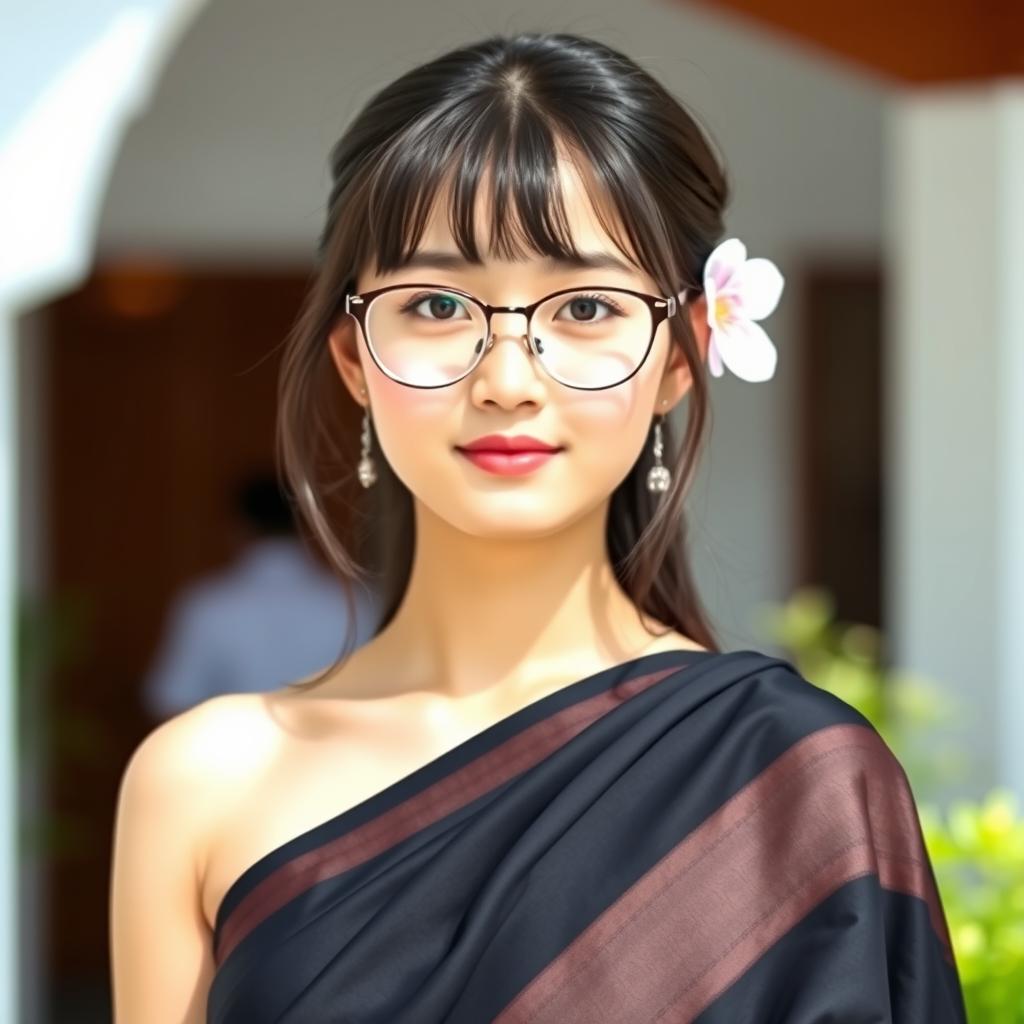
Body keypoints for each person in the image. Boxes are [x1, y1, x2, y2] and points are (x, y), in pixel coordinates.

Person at [109, 32, 968, 1023]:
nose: (506, 380)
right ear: (355, 361)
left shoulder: (797, 776)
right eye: (435, 303)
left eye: (587, 307)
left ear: (680, 358)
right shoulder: (202, 780)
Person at [140, 473, 382, 720]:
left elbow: (171, 701)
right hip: (338, 753)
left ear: (238, 526)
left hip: (232, 754)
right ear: (310, 521)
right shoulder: (360, 603)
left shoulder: (207, 603)